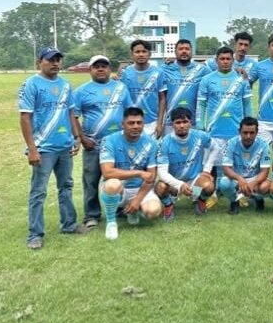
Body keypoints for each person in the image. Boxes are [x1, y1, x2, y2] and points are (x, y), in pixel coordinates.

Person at [18, 46, 86, 249]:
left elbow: (70, 112)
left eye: (58, 59)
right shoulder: (31, 84)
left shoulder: (65, 85)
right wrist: (32, 149)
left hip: (64, 146)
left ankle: (69, 225)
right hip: (43, 148)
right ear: (39, 62)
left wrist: (76, 137)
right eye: (50, 60)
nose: (55, 63)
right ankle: (35, 234)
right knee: (38, 192)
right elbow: (25, 117)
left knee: (66, 186)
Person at [73, 54, 132, 230]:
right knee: (91, 180)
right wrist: (82, 138)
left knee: (119, 178)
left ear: (109, 69)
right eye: (96, 66)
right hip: (93, 143)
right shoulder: (81, 91)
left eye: (104, 66)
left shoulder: (121, 88)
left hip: (118, 144)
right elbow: (73, 116)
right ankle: (92, 215)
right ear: (90, 69)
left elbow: (129, 113)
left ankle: (120, 208)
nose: (100, 69)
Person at [99, 107, 162, 240]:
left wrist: (137, 200)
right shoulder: (109, 140)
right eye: (131, 123)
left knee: (153, 211)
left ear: (143, 124)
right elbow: (107, 172)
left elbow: (151, 177)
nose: (135, 126)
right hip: (119, 188)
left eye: (139, 123)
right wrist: (138, 173)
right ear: (123, 124)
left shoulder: (151, 143)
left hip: (140, 188)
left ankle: (134, 210)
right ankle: (111, 222)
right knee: (112, 184)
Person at [196, 46, 253, 174]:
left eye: (228, 59)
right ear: (216, 60)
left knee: (234, 166)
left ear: (233, 60)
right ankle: (209, 185)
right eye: (222, 59)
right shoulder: (207, 79)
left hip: (235, 131)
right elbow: (201, 104)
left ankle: (234, 185)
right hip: (214, 131)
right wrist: (200, 125)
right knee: (210, 167)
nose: (225, 61)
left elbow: (247, 104)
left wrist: (249, 125)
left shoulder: (242, 79)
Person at [155, 107, 215, 220]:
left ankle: (199, 199)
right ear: (172, 124)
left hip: (194, 185)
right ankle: (168, 204)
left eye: (185, 122)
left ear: (190, 123)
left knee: (209, 186)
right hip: (174, 185)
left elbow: (215, 148)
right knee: (160, 187)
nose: (182, 125)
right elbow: (162, 172)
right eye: (178, 122)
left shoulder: (199, 136)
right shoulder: (165, 142)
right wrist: (180, 185)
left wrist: (207, 170)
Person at [218, 117, 271, 215]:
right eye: (245, 133)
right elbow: (226, 168)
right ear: (239, 132)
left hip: (254, 178)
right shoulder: (231, 143)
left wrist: (254, 182)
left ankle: (258, 199)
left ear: (257, 132)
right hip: (237, 178)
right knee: (224, 183)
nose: (248, 136)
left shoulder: (264, 145)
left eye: (252, 133)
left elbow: (265, 171)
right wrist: (239, 179)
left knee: (266, 186)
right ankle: (234, 201)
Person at [161, 38, 210, 133]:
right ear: (175, 52)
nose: (184, 51)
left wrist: (237, 69)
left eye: (187, 49)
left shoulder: (202, 70)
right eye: (180, 49)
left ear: (192, 51)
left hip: (194, 122)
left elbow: (219, 73)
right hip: (171, 122)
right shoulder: (164, 69)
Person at [121, 39, 167, 138]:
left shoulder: (158, 72)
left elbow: (162, 99)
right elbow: (122, 99)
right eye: (137, 52)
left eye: (144, 51)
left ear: (149, 54)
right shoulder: (126, 73)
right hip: (131, 121)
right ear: (132, 54)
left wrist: (159, 123)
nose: (141, 54)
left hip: (152, 122)